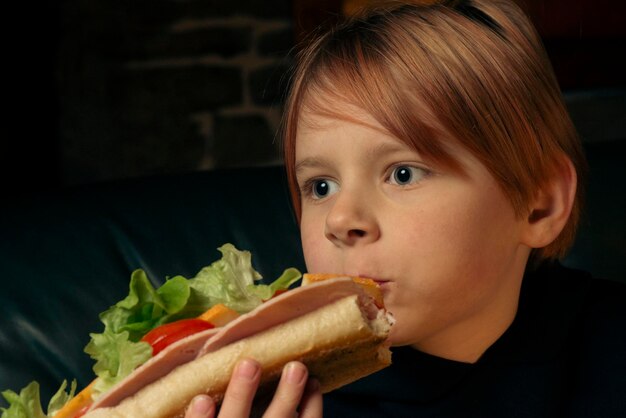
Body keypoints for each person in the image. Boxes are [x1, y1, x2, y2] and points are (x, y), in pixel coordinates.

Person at [185, 0, 625, 416]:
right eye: (320, 186)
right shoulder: (286, 401)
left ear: (539, 206)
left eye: (402, 174)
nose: (339, 220)